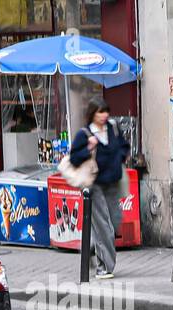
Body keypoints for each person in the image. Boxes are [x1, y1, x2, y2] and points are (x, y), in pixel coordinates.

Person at [68, 98, 130, 280]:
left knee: (114, 221)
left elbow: (123, 146)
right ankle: (106, 267)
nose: (104, 116)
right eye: (99, 112)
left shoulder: (112, 128)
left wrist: (119, 158)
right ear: (92, 114)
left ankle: (89, 246)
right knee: (104, 226)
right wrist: (89, 147)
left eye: (105, 112)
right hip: (93, 185)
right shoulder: (84, 133)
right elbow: (74, 159)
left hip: (112, 183)